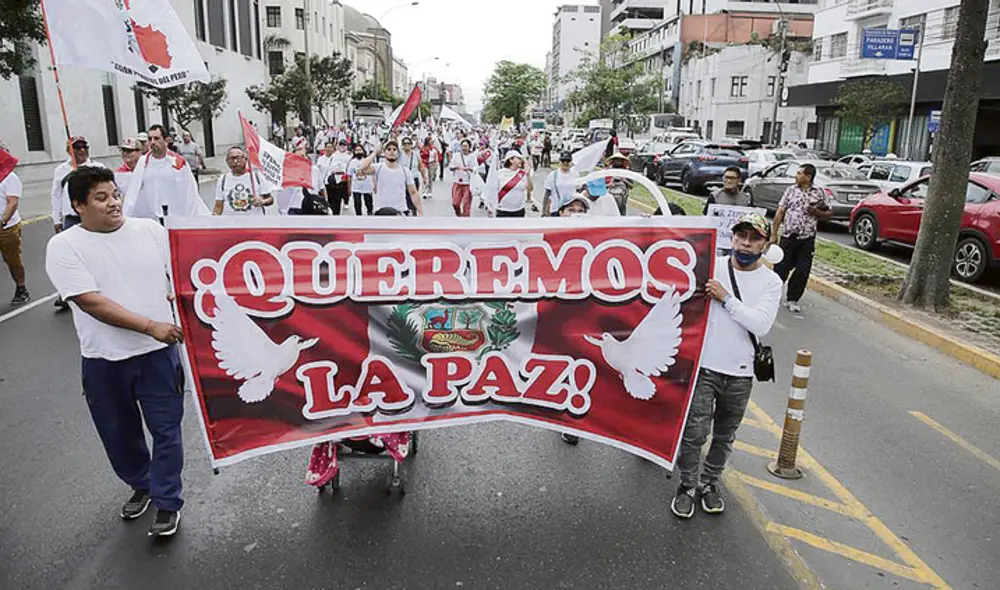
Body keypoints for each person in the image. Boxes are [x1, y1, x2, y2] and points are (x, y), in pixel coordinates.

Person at [45, 166, 186, 538]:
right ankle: (143, 483)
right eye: (101, 198)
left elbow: (179, 272)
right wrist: (150, 325)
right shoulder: (64, 247)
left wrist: (176, 294)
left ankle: (168, 500)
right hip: (104, 360)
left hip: (158, 356)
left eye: (115, 195)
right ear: (78, 206)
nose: (113, 204)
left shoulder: (151, 231)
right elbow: (92, 303)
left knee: (167, 432)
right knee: (119, 435)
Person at [671, 212, 782, 519]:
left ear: (765, 244)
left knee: (724, 435)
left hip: (741, 373)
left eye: (754, 239)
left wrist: (725, 297)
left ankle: (709, 484)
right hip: (704, 368)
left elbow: (761, 324)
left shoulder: (771, 282)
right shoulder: (711, 267)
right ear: (731, 237)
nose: (745, 244)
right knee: (694, 433)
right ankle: (687, 486)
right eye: (741, 237)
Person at [770, 163, 832, 315]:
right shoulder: (790, 191)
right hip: (788, 236)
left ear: (808, 177)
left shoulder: (819, 192)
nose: (796, 176)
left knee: (802, 270)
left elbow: (829, 212)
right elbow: (780, 211)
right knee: (781, 267)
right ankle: (772, 295)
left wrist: (817, 212)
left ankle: (793, 299)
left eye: (799, 173)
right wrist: (774, 233)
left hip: (807, 238)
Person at [123, 124, 210, 220]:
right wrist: (125, 217)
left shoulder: (178, 162)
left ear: (166, 141)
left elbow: (189, 194)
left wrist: (189, 220)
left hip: (175, 219)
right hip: (153, 219)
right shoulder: (143, 162)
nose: (153, 142)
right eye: (150, 139)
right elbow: (133, 192)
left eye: (156, 138)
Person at [52, 136, 107, 233]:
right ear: (69, 151)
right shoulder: (61, 170)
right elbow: (56, 195)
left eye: (85, 147)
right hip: (72, 218)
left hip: (95, 215)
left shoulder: (98, 167)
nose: (82, 150)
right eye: (77, 147)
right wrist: (57, 219)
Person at [358, 140, 422, 216]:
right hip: (381, 210)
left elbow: (413, 192)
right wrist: (375, 152)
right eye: (389, 149)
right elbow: (363, 167)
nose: (392, 151)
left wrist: (420, 211)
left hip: (400, 211)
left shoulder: (405, 171)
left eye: (394, 150)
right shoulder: (378, 167)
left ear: (398, 153)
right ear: (384, 153)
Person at [213, 146, 272, 216]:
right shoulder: (222, 180)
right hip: (231, 224)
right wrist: (214, 220)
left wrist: (262, 201)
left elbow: (270, 199)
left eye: (238, 158)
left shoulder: (257, 177)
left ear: (245, 159)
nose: (235, 161)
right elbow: (218, 206)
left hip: (255, 224)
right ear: (227, 161)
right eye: (231, 158)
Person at [0, 161, 29, 305]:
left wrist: (2, 221)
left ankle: (21, 288)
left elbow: (12, 202)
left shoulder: (10, 177)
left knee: (12, 260)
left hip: (7, 227)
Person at [275, 146, 328, 215]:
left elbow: (322, 188)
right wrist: (283, 212)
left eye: (303, 156)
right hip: (296, 208)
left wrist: (325, 203)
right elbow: (282, 197)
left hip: (314, 206)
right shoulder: (287, 174)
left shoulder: (314, 170)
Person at [484, 150, 532, 218]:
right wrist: (490, 206)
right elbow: (492, 190)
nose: (521, 160)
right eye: (518, 158)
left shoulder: (522, 174)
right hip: (503, 211)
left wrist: (528, 174)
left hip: (519, 210)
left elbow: (530, 188)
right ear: (511, 160)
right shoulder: (500, 173)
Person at [542, 152, 580, 217]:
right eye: (563, 161)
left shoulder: (576, 175)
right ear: (560, 162)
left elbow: (578, 192)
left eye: (568, 161)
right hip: (555, 209)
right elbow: (547, 194)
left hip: (571, 210)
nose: (565, 163)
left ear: (571, 162)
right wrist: (544, 212)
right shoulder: (552, 175)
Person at [322, 140, 353, 215]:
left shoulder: (345, 156)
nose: (342, 146)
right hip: (328, 182)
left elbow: (346, 169)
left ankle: (344, 204)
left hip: (340, 180)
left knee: (338, 200)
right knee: (330, 201)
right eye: (327, 147)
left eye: (330, 147)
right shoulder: (324, 158)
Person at [449, 139, 476, 217]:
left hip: (468, 183)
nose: (464, 148)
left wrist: (469, 169)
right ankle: (459, 215)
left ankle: (465, 221)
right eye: (463, 146)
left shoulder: (472, 156)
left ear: (469, 147)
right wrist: (456, 167)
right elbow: (451, 166)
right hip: (457, 182)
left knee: (466, 204)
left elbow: (475, 168)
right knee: (455, 203)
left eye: (466, 146)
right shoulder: (456, 155)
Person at [347, 144, 374, 216]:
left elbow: (373, 173)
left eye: (360, 150)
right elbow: (349, 176)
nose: (358, 152)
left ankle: (370, 213)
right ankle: (358, 218)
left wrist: (375, 185)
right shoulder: (352, 162)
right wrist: (349, 188)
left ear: (363, 151)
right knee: (357, 203)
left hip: (367, 186)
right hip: (356, 187)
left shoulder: (368, 160)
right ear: (354, 152)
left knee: (369, 203)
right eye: (357, 150)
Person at [398, 137, 423, 214]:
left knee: (413, 196)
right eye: (404, 144)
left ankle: (414, 210)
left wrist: (424, 176)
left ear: (411, 145)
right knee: (405, 197)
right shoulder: (400, 154)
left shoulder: (415, 154)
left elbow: (420, 165)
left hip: (414, 178)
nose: (406, 145)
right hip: (403, 179)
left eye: (408, 143)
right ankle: (406, 210)